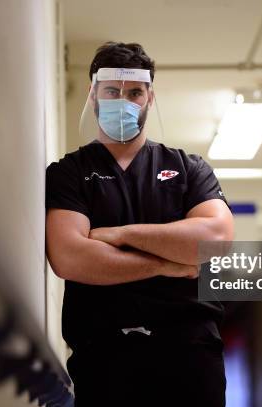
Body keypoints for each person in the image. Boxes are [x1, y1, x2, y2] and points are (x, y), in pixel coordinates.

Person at [45, 41, 234, 406]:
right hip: (106, 358)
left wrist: (119, 235)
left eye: (134, 93)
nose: (123, 101)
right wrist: (169, 262)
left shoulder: (188, 169)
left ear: (150, 97)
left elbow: (215, 240)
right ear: (93, 94)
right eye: (112, 91)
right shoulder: (69, 174)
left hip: (191, 356)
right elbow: (70, 257)